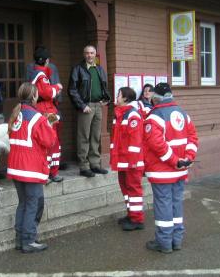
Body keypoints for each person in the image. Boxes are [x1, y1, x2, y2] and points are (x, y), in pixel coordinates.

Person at [143, 83, 198, 253]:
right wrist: (187, 159)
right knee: (176, 204)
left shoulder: (155, 116)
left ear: (156, 97)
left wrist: (175, 161)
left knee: (163, 206)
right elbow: (193, 138)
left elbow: (157, 145)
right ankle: (177, 240)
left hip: (162, 171)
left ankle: (164, 243)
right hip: (180, 170)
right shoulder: (182, 113)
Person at [7, 82, 58, 253]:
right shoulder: (38, 118)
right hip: (30, 168)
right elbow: (49, 142)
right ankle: (28, 240)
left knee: (23, 203)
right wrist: (49, 124)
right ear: (34, 96)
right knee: (33, 205)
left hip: (15, 167)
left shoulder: (17, 114)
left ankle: (20, 238)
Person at [68, 45, 111, 177]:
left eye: (92, 53)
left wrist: (106, 98)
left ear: (95, 54)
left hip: (98, 106)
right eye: (87, 53)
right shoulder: (78, 69)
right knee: (84, 137)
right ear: (84, 54)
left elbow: (104, 86)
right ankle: (84, 166)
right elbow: (72, 90)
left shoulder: (99, 69)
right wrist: (82, 105)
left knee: (95, 136)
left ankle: (95, 164)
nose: (89, 55)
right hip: (86, 107)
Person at [110, 87, 145, 231]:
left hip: (131, 162)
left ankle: (137, 219)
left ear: (125, 98)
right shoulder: (121, 114)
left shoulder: (132, 116)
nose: (116, 97)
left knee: (133, 189)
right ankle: (131, 214)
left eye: (118, 95)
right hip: (123, 161)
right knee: (125, 187)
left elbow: (135, 141)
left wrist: (133, 162)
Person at [29, 47, 63, 183]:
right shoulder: (41, 75)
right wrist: (58, 87)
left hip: (44, 109)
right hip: (46, 110)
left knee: (51, 143)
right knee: (50, 143)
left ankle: (50, 172)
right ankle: (48, 173)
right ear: (47, 61)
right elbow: (47, 93)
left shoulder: (35, 73)